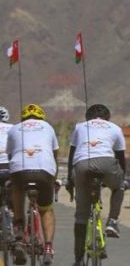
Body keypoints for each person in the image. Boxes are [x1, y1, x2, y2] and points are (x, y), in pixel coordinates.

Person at [66, 103, 126, 265]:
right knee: (119, 185)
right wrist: (122, 179)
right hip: (107, 164)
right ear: (108, 117)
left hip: (82, 166)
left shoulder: (79, 127)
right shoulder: (115, 128)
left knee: (81, 216)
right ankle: (112, 221)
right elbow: (121, 158)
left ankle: (78, 260)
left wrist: (70, 180)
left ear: (88, 117)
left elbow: (72, 155)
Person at [7, 104, 60, 265]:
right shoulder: (48, 127)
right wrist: (54, 180)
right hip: (44, 171)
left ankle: (18, 230)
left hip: (20, 170)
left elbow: (10, 156)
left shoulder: (14, 128)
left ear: (23, 117)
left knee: (17, 192)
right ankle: (48, 248)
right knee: (46, 209)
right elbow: (54, 156)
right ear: (41, 117)